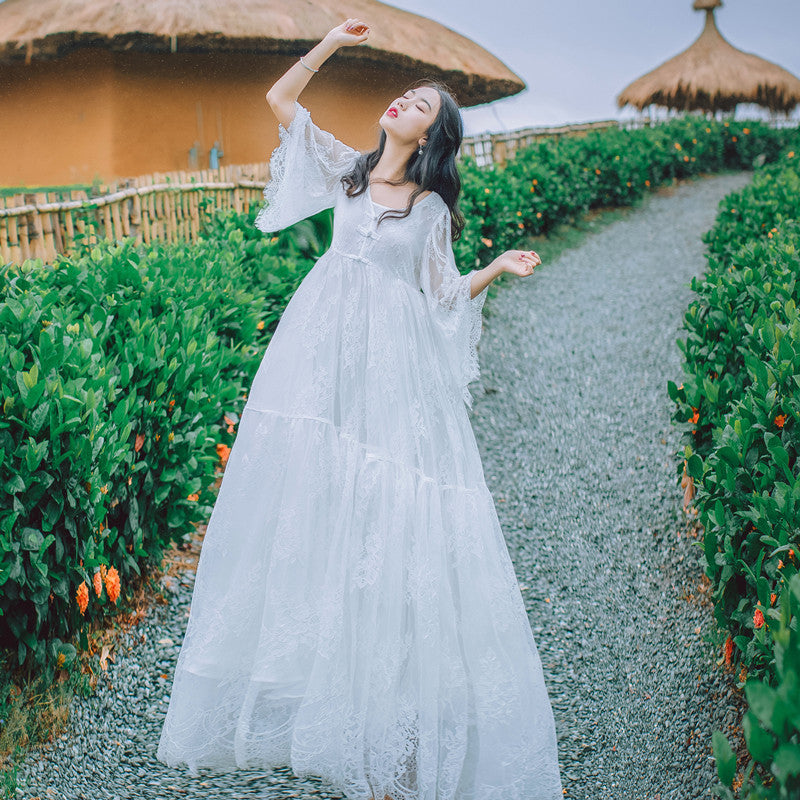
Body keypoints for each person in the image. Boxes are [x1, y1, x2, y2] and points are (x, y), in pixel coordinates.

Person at [156, 17, 563, 800]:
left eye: (419, 106)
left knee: (386, 502)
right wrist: (333, 44)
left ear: (434, 134)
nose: (401, 103)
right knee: (312, 489)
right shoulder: (347, 170)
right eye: (404, 95)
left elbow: (439, 293)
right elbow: (279, 97)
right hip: (318, 350)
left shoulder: (431, 208)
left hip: (393, 364)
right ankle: (317, 688)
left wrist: (495, 268)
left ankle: (393, 710)